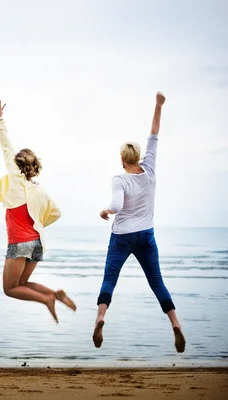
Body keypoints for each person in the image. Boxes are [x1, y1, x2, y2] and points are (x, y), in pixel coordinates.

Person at [94, 91, 186, 353]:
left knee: (110, 278)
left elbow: (115, 207)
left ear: (122, 159)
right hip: (146, 235)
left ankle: (101, 317)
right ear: (138, 156)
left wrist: (104, 211)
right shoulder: (151, 168)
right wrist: (158, 105)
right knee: (156, 281)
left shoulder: (119, 178)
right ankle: (175, 324)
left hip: (122, 236)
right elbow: (154, 134)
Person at [0, 101, 75, 323]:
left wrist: (0, 120)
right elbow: (56, 213)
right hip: (37, 244)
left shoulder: (16, 181)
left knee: (9, 289)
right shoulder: (40, 190)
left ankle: (46, 300)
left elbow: (6, 147)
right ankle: (55, 294)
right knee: (22, 284)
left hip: (20, 243)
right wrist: (37, 223)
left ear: (17, 165)